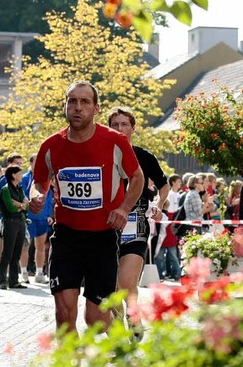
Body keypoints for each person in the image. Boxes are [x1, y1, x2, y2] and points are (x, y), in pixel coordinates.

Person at [32, 81, 144, 334]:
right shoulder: (50, 145)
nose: (77, 107)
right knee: (63, 310)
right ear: (65, 106)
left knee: (94, 319)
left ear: (95, 108)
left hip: (102, 237)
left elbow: (137, 178)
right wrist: (38, 196)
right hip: (66, 236)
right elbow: (39, 182)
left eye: (84, 102)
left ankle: (115, 330)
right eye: (72, 101)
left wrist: (124, 209)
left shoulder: (114, 141)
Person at [108, 105, 168, 334]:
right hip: (108, 224)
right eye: (115, 124)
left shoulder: (144, 156)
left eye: (125, 124)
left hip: (136, 223)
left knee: (126, 282)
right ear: (108, 128)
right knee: (111, 285)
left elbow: (163, 186)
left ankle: (133, 314)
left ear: (133, 128)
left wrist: (158, 205)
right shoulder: (102, 155)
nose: (120, 128)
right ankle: (118, 335)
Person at [21, 154, 54, 284]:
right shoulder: (24, 178)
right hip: (29, 217)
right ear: (31, 163)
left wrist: (50, 215)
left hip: (43, 218)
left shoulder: (45, 178)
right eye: (37, 162)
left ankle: (39, 272)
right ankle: (23, 272)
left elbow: (50, 199)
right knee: (25, 246)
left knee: (40, 246)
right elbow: (22, 196)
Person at [0, 165, 29, 290]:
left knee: (17, 253)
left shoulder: (19, 189)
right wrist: (22, 205)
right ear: (13, 175)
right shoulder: (6, 190)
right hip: (10, 222)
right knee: (7, 253)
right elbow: (10, 208)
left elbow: (28, 204)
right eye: (20, 173)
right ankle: (2, 280)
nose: (22, 175)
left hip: (20, 221)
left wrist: (20, 205)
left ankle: (14, 281)